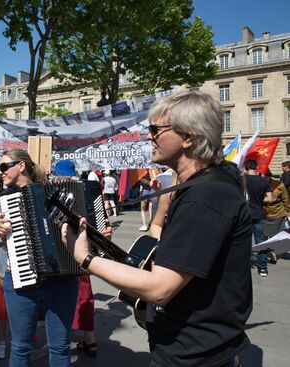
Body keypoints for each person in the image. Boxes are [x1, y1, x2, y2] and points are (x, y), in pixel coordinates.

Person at [62, 91, 253, 367]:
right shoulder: (211, 181)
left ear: (189, 137)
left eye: (155, 129)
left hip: (193, 355)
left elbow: (160, 289)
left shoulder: (205, 196)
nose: (148, 136)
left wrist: (84, 257)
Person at [0, 149, 79, 367]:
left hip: (62, 279)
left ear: (21, 166)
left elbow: (82, 230)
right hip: (20, 281)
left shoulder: (59, 192)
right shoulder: (1, 202)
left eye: (3, 167)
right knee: (20, 347)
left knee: (60, 347)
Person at [52, 159, 98, 357]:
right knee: (85, 292)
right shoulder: (89, 188)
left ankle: (62, 334)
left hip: (71, 249)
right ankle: (90, 338)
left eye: (56, 175)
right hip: (88, 247)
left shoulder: (64, 190)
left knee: (71, 292)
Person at [244, 159, 273, 277]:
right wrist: (260, 200)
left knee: (244, 241)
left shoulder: (242, 181)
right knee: (260, 241)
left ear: (246, 167)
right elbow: (270, 199)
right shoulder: (263, 181)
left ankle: (243, 266)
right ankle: (263, 268)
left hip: (245, 215)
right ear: (256, 167)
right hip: (259, 214)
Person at [263, 169, 290, 240]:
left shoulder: (279, 184)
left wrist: (286, 211)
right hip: (264, 214)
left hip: (278, 214)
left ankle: (275, 250)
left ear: (270, 176)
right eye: (263, 177)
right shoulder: (259, 184)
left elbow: (285, 199)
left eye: (266, 177)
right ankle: (265, 250)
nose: (265, 178)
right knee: (264, 235)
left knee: (276, 236)